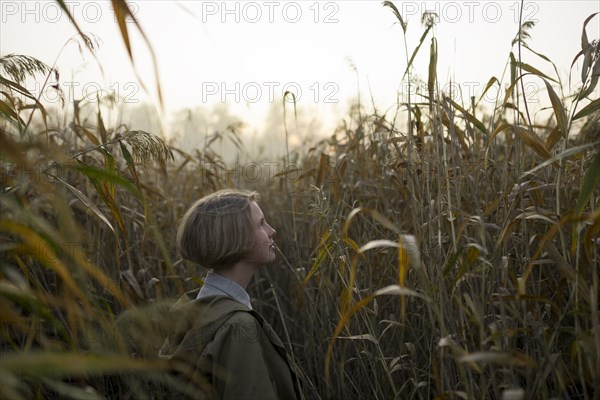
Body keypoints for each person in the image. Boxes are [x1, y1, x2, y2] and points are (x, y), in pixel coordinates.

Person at [159, 189, 302, 400]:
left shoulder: (193, 308)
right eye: (261, 224)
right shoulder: (237, 325)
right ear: (237, 238)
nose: (272, 230)